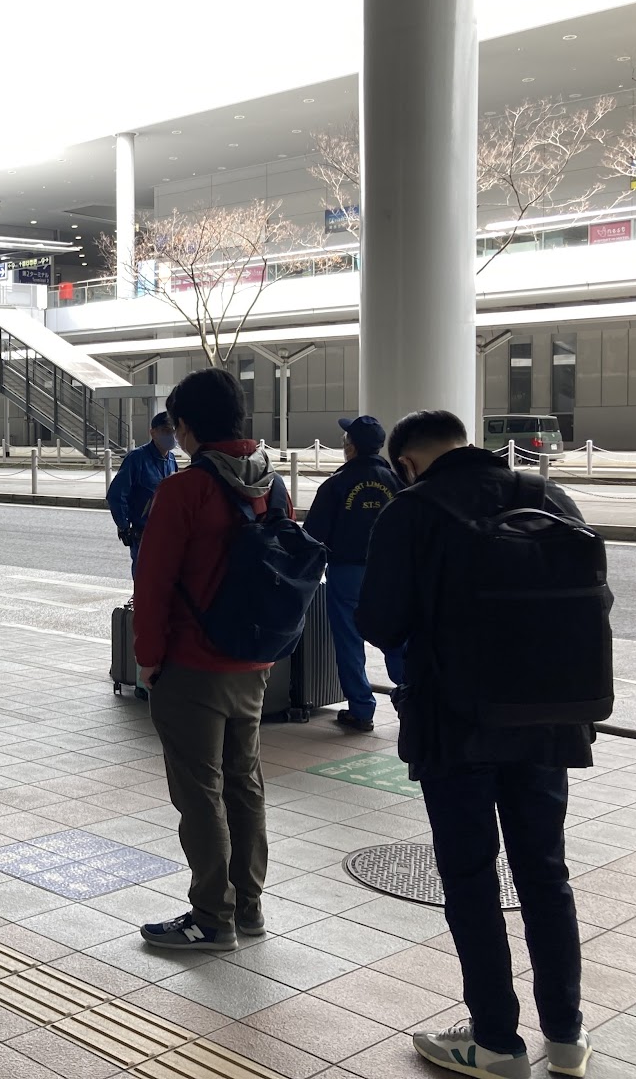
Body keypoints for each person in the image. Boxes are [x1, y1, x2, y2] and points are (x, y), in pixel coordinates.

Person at [357, 410, 595, 1079]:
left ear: (407, 463)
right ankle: (568, 1036)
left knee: (470, 878)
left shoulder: (413, 512)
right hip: (549, 719)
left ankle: (495, 1041)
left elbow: (378, 620)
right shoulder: (551, 496)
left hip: (455, 724)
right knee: (546, 875)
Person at [133, 368, 278, 951]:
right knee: (244, 782)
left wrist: (148, 659)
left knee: (200, 791)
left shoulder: (184, 490)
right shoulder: (271, 483)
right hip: (253, 662)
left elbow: (155, 582)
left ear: (187, 426)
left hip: (193, 664)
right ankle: (249, 907)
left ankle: (211, 916)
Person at [300, 415, 403, 733]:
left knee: (349, 641)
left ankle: (361, 710)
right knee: (398, 638)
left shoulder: (335, 485)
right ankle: (414, 703)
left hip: (346, 574)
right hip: (391, 575)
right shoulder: (398, 483)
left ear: (351, 447)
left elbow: (314, 534)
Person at [107, 410, 180, 576]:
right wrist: (124, 526)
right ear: (152, 432)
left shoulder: (171, 460)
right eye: (165, 431)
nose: (171, 436)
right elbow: (116, 495)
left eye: (173, 431)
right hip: (143, 533)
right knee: (144, 575)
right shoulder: (137, 458)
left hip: (168, 532)